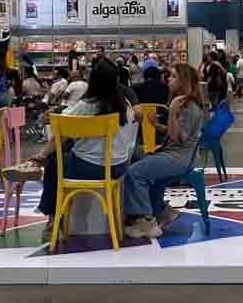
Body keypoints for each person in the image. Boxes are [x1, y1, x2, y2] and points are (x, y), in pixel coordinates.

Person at [29, 60, 137, 231]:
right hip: (118, 167)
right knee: (63, 153)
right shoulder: (125, 104)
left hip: (87, 167)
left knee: (54, 162)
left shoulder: (87, 105)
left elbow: (62, 128)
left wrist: (43, 154)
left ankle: (53, 215)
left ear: (92, 81)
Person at [122, 63, 207, 239]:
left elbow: (178, 138)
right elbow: (174, 133)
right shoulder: (184, 103)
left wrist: (172, 114)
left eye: (174, 76)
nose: (168, 79)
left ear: (184, 81)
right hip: (177, 154)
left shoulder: (189, 107)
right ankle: (162, 211)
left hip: (179, 158)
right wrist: (157, 125)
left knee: (134, 173)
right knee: (143, 165)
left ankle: (145, 222)